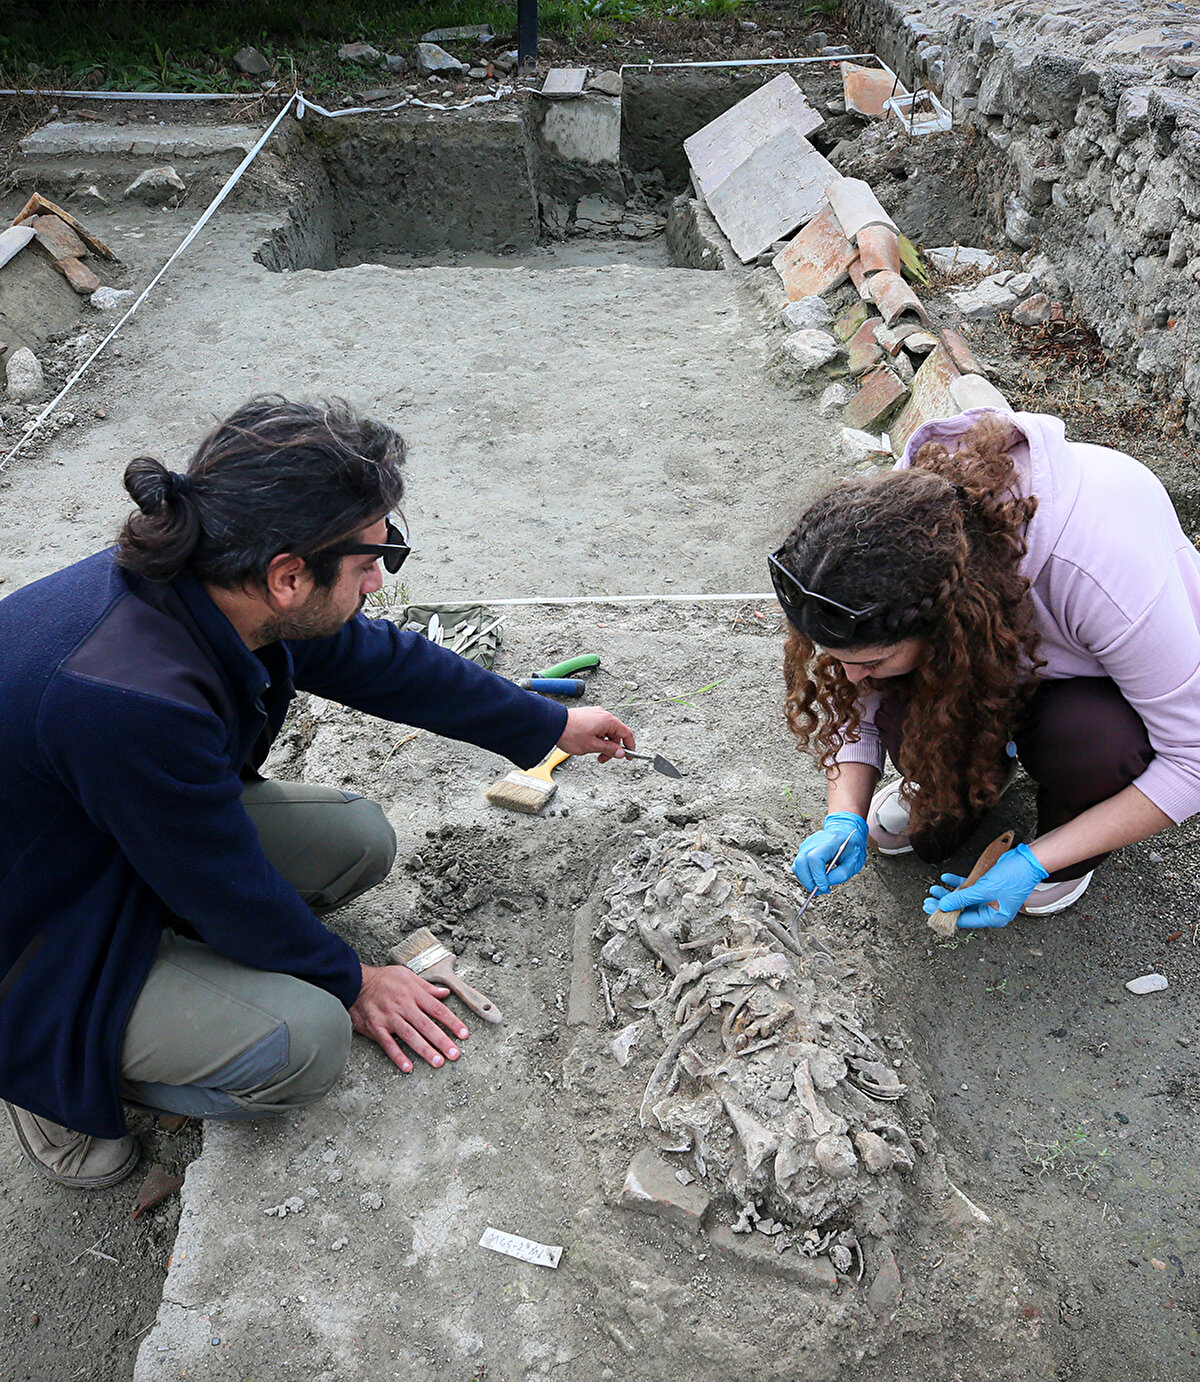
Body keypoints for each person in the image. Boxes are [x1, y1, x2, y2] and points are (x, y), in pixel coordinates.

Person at [0, 395, 635, 1189]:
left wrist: (546, 724)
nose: (378, 578)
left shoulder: (214, 584)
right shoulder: (132, 697)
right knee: (305, 1040)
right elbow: (222, 886)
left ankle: (168, 974)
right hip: (29, 935)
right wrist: (353, 980)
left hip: (103, 846)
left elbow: (382, 662)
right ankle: (48, 1073)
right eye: (373, 559)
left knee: (353, 841)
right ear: (289, 576)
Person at [771, 407, 1200, 930]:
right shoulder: (896, 529)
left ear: (947, 617)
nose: (854, 676)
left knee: (1095, 744)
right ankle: (975, 783)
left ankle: (1065, 841)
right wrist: (845, 812)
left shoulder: (1105, 575)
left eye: (872, 662)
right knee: (923, 777)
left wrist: (1033, 861)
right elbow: (858, 676)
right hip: (982, 656)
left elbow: (1192, 762)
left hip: (1096, 683)